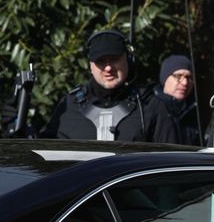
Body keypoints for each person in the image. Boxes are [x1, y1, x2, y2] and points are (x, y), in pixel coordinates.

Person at [39, 30, 178, 143]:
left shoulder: (150, 106)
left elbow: (169, 162)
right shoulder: (69, 105)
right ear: (90, 66)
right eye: (101, 61)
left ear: (128, 60)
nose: (108, 68)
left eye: (114, 59)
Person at [154, 54, 202, 146]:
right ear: (165, 78)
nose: (185, 82)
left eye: (189, 77)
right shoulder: (149, 110)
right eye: (178, 76)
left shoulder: (196, 114)